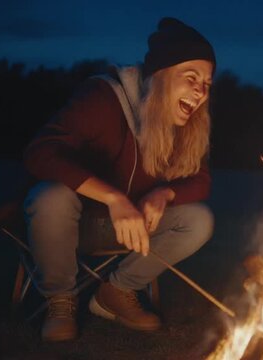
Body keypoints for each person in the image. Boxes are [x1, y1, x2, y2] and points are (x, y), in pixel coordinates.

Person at [22, 17, 216, 342]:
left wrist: (164, 194)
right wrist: (114, 198)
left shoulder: (187, 125)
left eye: (207, 84)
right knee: (50, 196)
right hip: (70, 226)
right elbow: (40, 153)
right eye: (191, 78)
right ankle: (60, 300)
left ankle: (117, 291)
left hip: (135, 231)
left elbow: (202, 181)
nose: (200, 92)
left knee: (198, 219)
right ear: (161, 75)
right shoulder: (104, 97)